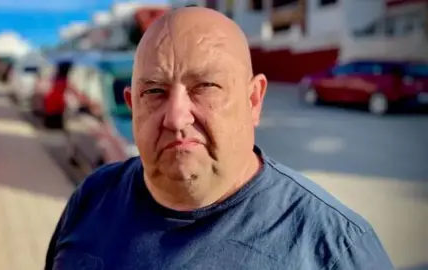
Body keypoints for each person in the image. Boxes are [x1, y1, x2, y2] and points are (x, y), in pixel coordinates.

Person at [45, 7, 394, 270]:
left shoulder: (334, 250)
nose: (176, 117)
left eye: (205, 87)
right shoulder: (92, 200)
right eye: (153, 91)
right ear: (131, 105)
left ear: (253, 100)